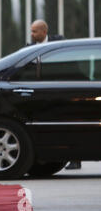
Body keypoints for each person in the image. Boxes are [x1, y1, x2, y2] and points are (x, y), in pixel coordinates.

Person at [28, 20, 80, 170]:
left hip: (61, 91)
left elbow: (71, 65)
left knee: (68, 125)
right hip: (41, 95)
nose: (31, 34)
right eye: (31, 31)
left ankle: (75, 159)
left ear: (44, 32)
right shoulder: (29, 48)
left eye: (34, 31)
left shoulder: (59, 44)